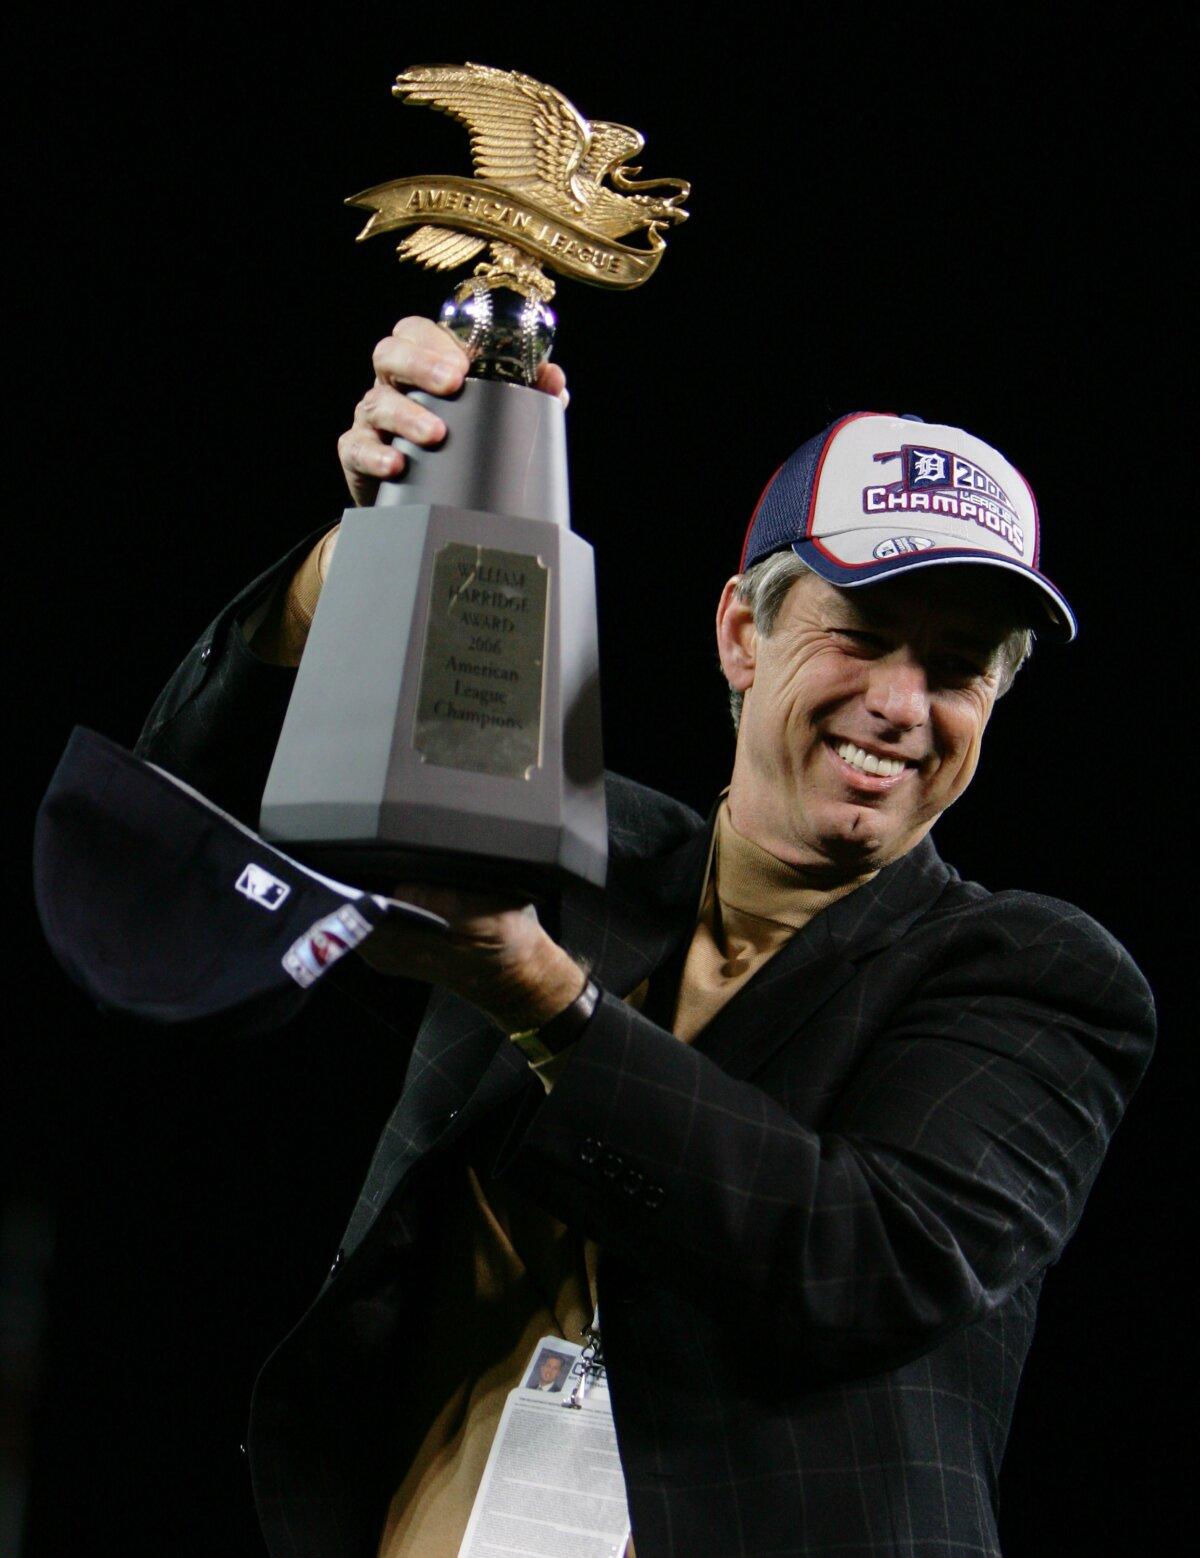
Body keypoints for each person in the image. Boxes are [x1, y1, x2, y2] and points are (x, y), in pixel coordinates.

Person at [134, 317, 1155, 1557]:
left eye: (957, 667)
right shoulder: (557, 848)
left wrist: (545, 999)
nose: (901, 702)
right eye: (864, 634)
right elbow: (181, 849)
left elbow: (856, 1261)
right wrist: (356, 564)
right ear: (743, 632)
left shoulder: (1038, 977)